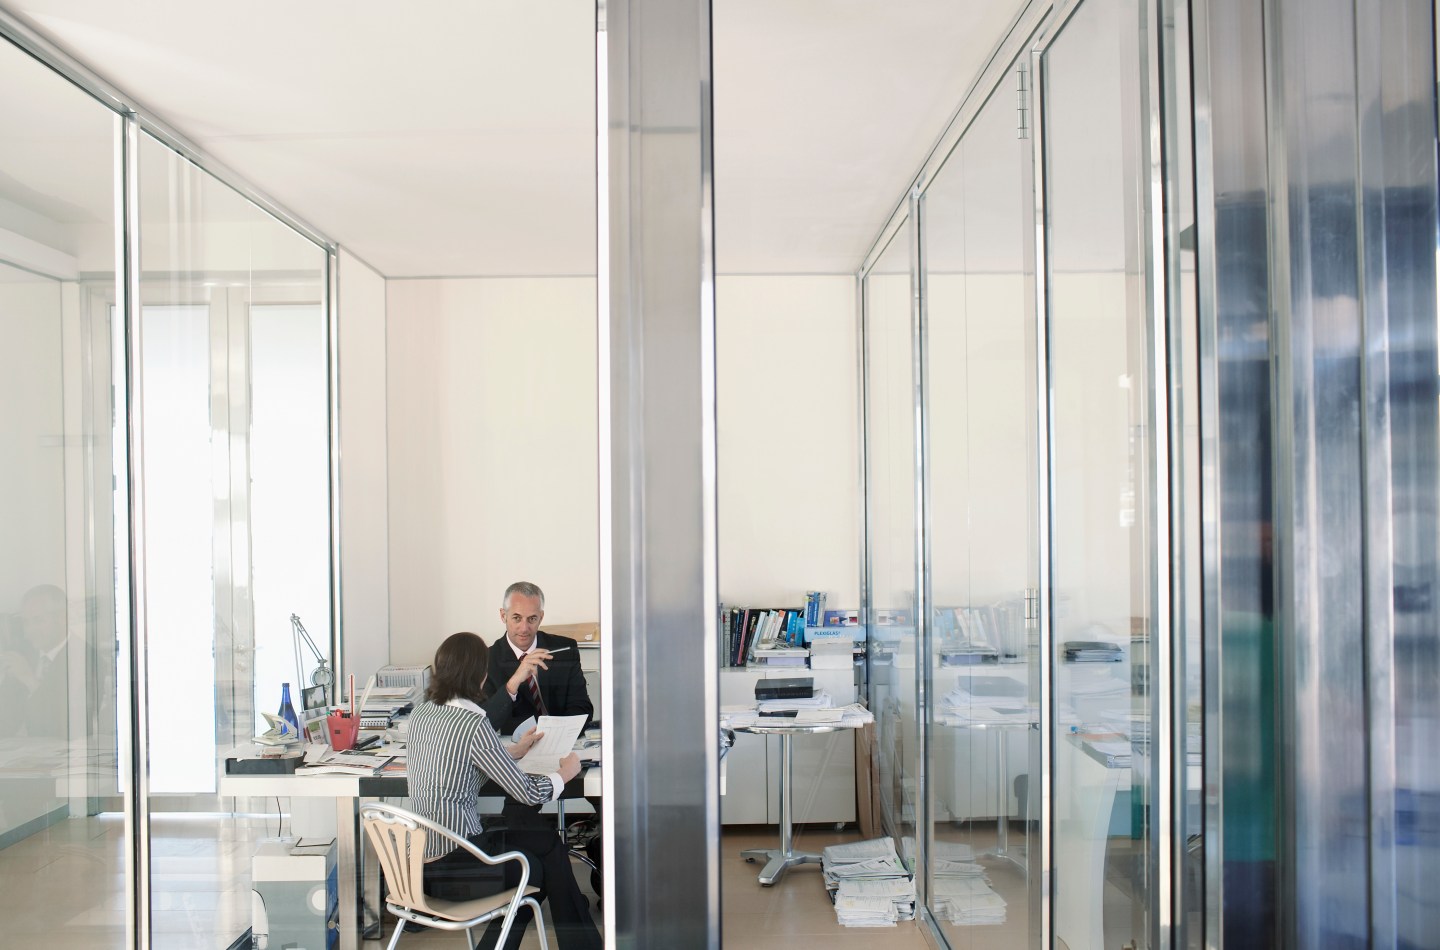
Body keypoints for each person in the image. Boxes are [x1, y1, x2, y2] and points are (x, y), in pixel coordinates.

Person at [407, 631, 602, 950]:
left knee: (546, 847)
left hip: (420, 862)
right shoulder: (472, 723)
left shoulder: (423, 713)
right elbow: (527, 792)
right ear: (480, 675)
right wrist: (564, 774)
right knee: (535, 869)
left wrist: (512, 751)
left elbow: (459, 756)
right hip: (455, 869)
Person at [479, 582, 593, 736]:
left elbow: (582, 707)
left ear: (541, 617)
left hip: (561, 742)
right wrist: (513, 683)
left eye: (532, 619)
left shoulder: (565, 649)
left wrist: (557, 736)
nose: (524, 628)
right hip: (517, 748)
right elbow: (485, 724)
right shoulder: (487, 660)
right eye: (517, 618)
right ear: (503, 616)